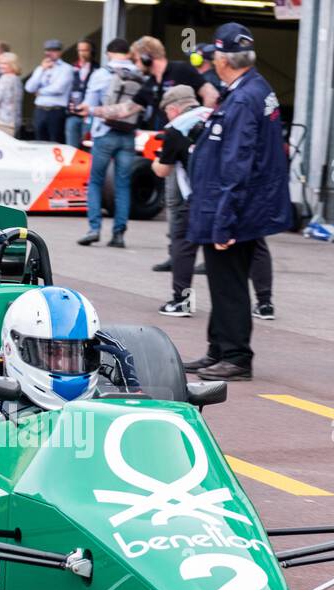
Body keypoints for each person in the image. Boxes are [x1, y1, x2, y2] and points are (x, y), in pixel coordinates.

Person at [185, 23, 291, 382]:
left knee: (228, 282)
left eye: (214, 56)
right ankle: (219, 348)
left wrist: (224, 219)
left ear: (223, 60)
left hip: (233, 208)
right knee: (221, 280)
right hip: (240, 205)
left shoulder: (245, 97)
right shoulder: (250, 90)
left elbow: (237, 162)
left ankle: (235, 356)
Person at [0, 286, 103, 424]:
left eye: (74, 354)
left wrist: (125, 392)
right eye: (52, 353)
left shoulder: (99, 404)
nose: (62, 363)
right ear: (11, 348)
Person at [74, 38, 145, 249]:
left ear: (109, 53)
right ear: (128, 53)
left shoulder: (101, 73)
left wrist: (85, 119)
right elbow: (145, 108)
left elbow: (89, 105)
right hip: (128, 134)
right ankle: (119, 233)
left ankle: (94, 229)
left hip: (104, 133)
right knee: (123, 183)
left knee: (96, 181)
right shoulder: (139, 74)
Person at [151, 85, 211, 315]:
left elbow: (164, 170)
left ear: (174, 109)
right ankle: (264, 302)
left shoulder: (176, 128)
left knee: (183, 245)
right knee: (242, 248)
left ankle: (182, 300)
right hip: (226, 193)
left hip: (197, 195)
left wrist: (155, 163)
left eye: (166, 111)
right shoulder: (213, 114)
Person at [132, 35, 217, 130]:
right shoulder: (150, 82)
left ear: (146, 58)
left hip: (183, 138)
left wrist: (202, 127)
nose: (136, 65)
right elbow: (130, 107)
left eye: (136, 60)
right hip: (161, 138)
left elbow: (211, 95)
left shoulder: (182, 69)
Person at [25, 40, 74, 143]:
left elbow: (58, 89)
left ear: (60, 52)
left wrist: (40, 91)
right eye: (48, 50)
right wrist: (42, 69)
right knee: (39, 141)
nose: (50, 53)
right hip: (40, 110)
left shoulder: (66, 69)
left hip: (56, 111)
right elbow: (29, 88)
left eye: (54, 50)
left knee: (56, 142)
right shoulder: (41, 68)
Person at [65, 40, 95, 147]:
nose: (82, 53)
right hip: (73, 113)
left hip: (89, 115)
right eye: (80, 50)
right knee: (71, 147)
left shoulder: (97, 69)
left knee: (87, 146)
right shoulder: (71, 68)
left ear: (91, 51)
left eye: (85, 50)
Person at [0, 52, 22, 136]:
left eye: (4, 64)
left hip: (2, 122)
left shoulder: (5, 79)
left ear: (12, 65)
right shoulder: (17, 79)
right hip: (14, 121)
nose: (0, 66)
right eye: (0, 63)